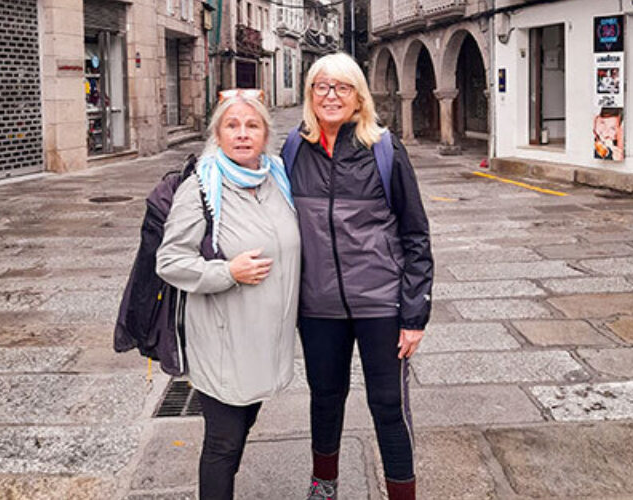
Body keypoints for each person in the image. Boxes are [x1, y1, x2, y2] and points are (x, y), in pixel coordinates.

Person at [283, 53, 433, 500]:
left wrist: (415, 315)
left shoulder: (384, 150)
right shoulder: (293, 150)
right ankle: (323, 485)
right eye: (322, 87)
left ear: (358, 97)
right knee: (325, 399)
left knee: (388, 406)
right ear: (310, 95)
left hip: (381, 305)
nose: (331, 96)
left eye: (342, 87)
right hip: (318, 307)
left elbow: (416, 235)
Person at [156, 89, 300, 500]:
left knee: (241, 429)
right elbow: (169, 261)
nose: (242, 134)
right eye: (231, 126)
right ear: (217, 135)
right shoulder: (201, 186)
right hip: (221, 340)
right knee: (223, 443)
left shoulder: (277, 178)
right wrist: (227, 272)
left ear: (265, 134)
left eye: (252, 125)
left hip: (265, 341)